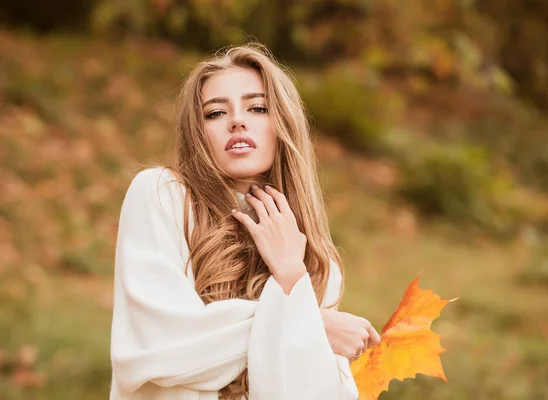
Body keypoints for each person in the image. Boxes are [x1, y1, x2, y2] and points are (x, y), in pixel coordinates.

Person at [109, 43, 381, 400]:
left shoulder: (314, 260)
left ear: (281, 123)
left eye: (257, 107)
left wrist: (290, 276)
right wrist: (308, 326)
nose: (237, 120)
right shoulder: (162, 196)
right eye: (215, 113)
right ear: (198, 133)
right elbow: (158, 352)